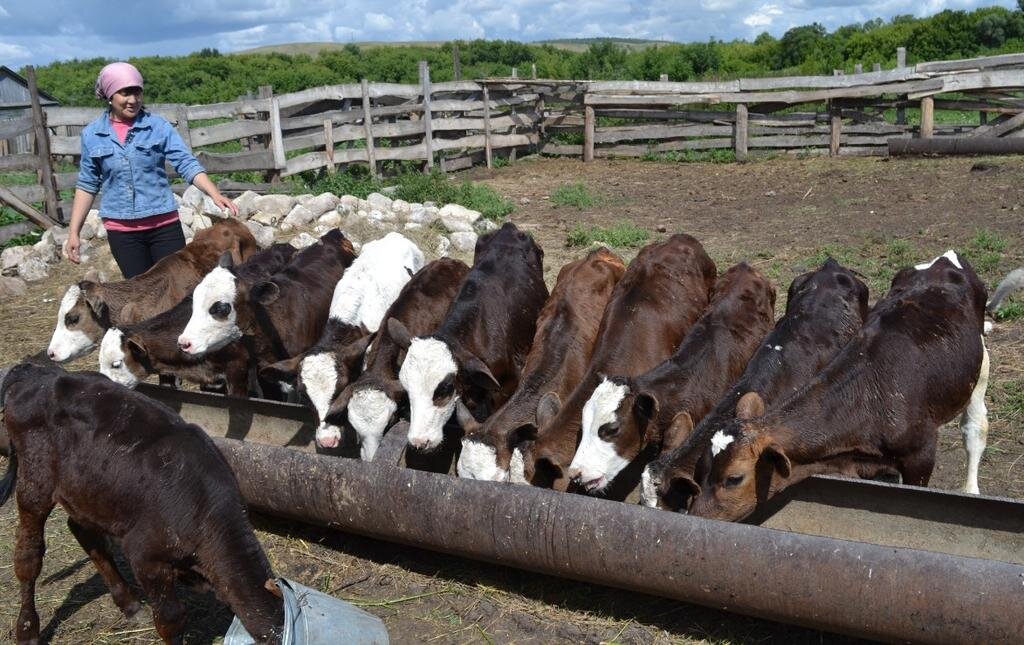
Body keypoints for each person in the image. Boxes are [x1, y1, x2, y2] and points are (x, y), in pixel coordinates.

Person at [63, 61, 239, 278]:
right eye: (125, 93)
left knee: (178, 288)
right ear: (110, 95)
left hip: (163, 226)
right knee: (141, 294)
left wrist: (214, 193)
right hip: (123, 232)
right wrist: (74, 233)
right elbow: (87, 184)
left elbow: (186, 163)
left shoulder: (158, 127)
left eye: (137, 92)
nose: (133, 100)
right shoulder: (92, 135)